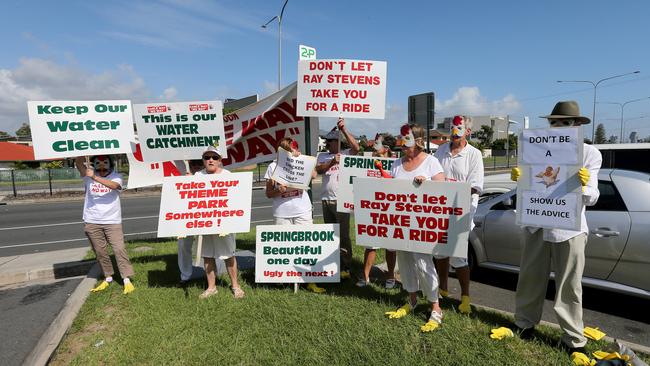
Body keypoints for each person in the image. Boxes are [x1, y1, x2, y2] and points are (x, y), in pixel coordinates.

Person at [506, 101, 602, 354]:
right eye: (554, 122)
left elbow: (592, 196)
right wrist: (520, 179)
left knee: (569, 286)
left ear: (577, 125)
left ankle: (573, 339)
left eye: (565, 122)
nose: (558, 126)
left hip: (569, 230)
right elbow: (530, 190)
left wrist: (583, 184)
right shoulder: (534, 148)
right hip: (536, 225)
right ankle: (524, 324)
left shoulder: (590, 153)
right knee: (529, 279)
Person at [384, 124, 446, 332]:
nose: (402, 143)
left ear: (417, 141)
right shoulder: (396, 164)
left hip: (422, 226)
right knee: (405, 261)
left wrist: (427, 183)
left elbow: (443, 189)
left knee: (423, 263)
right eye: (401, 139)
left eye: (406, 139)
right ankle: (411, 300)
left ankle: (435, 307)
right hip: (401, 224)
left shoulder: (431, 162)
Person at [433, 115, 484, 314]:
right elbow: (433, 175)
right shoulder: (441, 151)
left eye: (459, 128)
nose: (455, 131)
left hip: (463, 211)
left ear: (468, 132)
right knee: (440, 251)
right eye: (452, 128)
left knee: (458, 256)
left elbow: (476, 186)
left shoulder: (474, 154)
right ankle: (443, 289)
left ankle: (465, 296)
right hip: (441, 208)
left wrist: (451, 188)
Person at [265, 138, 324, 293]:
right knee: (284, 248)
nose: (288, 153)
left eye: (291, 149)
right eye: (285, 150)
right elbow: (268, 193)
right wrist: (279, 190)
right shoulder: (272, 166)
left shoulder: (301, 162)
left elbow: (313, 175)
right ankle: (287, 279)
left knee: (307, 246)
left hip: (302, 210)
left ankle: (309, 280)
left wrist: (304, 162)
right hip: (282, 213)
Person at [75, 155, 135, 295]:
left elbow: (115, 186)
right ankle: (108, 277)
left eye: (105, 163)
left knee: (119, 249)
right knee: (100, 251)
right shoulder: (87, 175)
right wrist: (79, 153)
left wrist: (94, 177)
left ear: (110, 164)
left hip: (112, 221)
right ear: (94, 164)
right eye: (98, 164)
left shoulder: (116, 176)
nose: (101, 167)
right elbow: (78, 163)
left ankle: (126, 279)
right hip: (92, 220)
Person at [196, 146, 244, 299]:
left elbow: (236, 198)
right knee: (207, 255)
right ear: (203, 160)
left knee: (229, 254)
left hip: (224, 223)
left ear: (220, 160)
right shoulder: (197, 175)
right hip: (204, 222)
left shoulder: (227, 175)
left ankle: (235, 286)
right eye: (207, 157)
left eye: (214, 157)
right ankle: (212, 287)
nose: (210, 160)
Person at [315, 118, 359, 280]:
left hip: (341, 200)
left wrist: (344, 130)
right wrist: (332, 161)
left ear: (337, 142)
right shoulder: (323, 156)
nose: (328, 144)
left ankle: (346, 265)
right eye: (327, 141)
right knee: (330, 234)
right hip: (326, 200)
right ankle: (333, 263)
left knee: (344, 235)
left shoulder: (346, 154)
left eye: (331, 141)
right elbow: (319, 170)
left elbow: (356, 147)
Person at [356, 134, 397, 289]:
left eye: (377, 142)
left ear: (386, 148)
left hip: (391, 208)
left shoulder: (395, 164)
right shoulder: (367, 161)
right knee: (371, 244)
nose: (374, 145)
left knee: (391, 245)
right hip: (373, 207)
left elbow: (392, 182)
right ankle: (365, 276)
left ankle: (390, 275)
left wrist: (380, 168)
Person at [176, 159, 206, 287]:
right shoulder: (182, 177)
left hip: (205, 217)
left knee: (208, 246)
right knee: (183, 245)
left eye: (200, 163)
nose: (197, 166)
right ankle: (185, 276)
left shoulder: (210, 176)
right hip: (186, 219)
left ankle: (210, 273)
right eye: (194, 164)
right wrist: (186, 181)